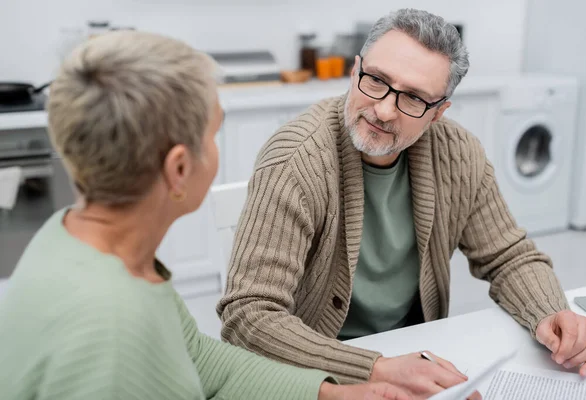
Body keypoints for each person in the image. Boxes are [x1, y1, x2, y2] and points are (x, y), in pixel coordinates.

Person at [0, 30, 409, 400]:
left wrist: (327, 393)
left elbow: (195, 355)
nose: (216, 150)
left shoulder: (79, 242)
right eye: (213, 135)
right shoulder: (110, 334)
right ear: (179, 168)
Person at [217, 8, 586, 398]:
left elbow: (508, 256)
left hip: (411, 353)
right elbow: (249, 316)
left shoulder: (458, 153)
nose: (383, 110)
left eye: (414, 98)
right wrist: (376, 369)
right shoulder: (296, 160)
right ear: (355, 71)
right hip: (317, 374)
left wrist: (550, 312)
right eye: (376, 81)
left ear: (438, 113)